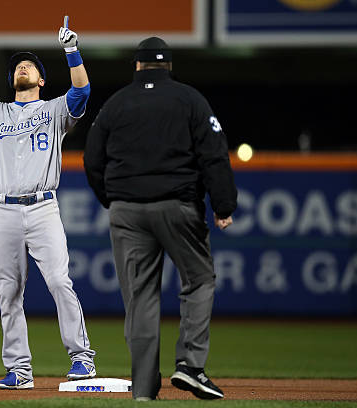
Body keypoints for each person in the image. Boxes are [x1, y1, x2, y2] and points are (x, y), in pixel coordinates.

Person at [83, 37, 237, 401]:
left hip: (126, 211)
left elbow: (92, 158)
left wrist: (112, 199)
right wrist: (223, 204)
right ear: (168, 65)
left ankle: (143, 389)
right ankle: (190, 365)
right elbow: (214, 154)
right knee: (199, 280)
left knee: (140, 298)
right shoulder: (190, 99)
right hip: (177, 205)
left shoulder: (116, 103)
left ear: (137, 66)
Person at [0, 18, 96, 390]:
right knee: (7, 292)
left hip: (43, 207)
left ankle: (82, 358)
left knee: (59, 281)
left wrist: (71, 50)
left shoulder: (55, 110)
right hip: (4, 211)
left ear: (42, 80)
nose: (22, 68)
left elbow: (82, 91)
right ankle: (19, 370)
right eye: (18, 66)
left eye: (29, 65)